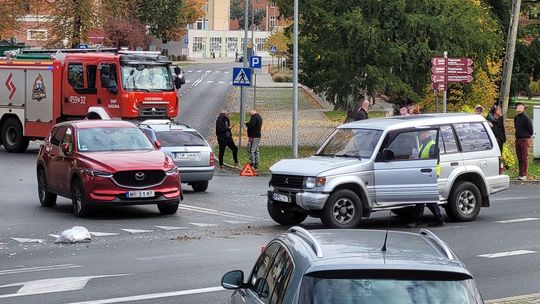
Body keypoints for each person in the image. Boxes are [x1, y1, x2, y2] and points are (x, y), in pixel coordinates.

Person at [407, 130, 445, 228]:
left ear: (426, 134)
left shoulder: (432, 145)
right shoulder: (423, 145)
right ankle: (421, 220)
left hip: (429, 174)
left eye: (420, 135)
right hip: (424, 174)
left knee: (426, 198)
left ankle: (438, 219)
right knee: (422, 197)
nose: (419, 137)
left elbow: (434, 161)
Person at [514, 103, 534, 180]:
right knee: (519, 157)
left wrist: (528, 137)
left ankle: (524, 174)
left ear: (523, 109)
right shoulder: (516, 118)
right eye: (517, 107)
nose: (518, 109)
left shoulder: (526, 118)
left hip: (525, 139)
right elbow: (516, 127)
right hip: (518, 139)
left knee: (524, 157)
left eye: (520, 107)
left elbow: (531, 130)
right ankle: (520, 174)